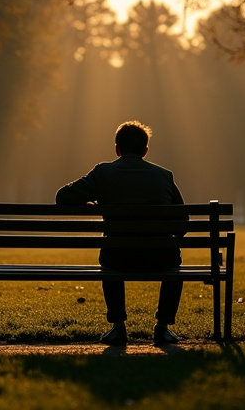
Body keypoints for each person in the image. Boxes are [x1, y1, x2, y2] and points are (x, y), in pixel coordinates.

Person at [55, 120, 185, 346]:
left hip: (118, 258)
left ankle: (118, 327)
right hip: (160, 259)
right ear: (145, 150)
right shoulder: (164, 176)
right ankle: (163, 327)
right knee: (174, 260)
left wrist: (87, 202)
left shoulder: (103, 173)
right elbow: (183, 224)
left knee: (110, 251)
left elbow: (62, 197)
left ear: (117, 148)